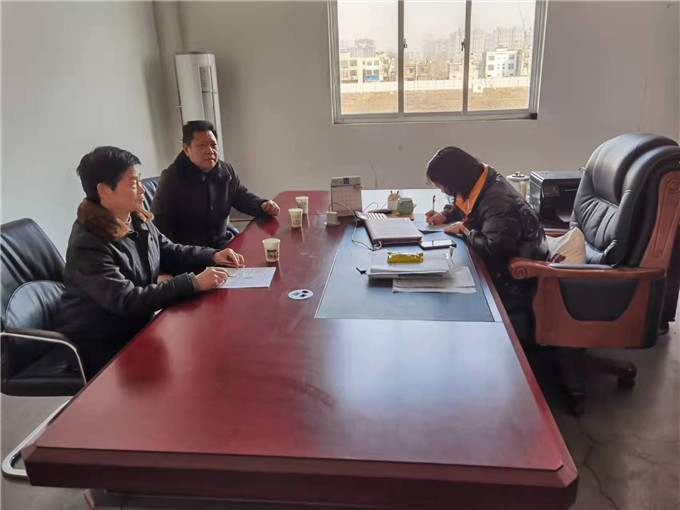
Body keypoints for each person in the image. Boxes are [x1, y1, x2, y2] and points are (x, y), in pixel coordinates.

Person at [57, 146, 245, 378]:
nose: (142, 190)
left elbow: (169, 251)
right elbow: (127, 300)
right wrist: (193, 283)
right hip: (102, 344)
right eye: (133, 183)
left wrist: (213, 255)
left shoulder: (135, 218)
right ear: (104, 190)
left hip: (137, 326)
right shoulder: (88, 244)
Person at [425, 146, 548, 341]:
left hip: (515, 277)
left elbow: (494, 246)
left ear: (455, 180)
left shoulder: (498, 200)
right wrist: (446, 215)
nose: (442, 190)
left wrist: (464, 230)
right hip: (507, 260)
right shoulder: (481, 181)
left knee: (445, 292)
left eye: (443, 186)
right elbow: (468, 206)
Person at [152, 120, 280, 249]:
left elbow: (242, 197)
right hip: (191, 253)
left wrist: (262, 205)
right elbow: (161, 229)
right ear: (186, 149)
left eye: (213, 145)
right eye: (202, 145)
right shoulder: (171, 178)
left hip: (223, 245)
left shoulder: (226, 170)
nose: (210, 151)